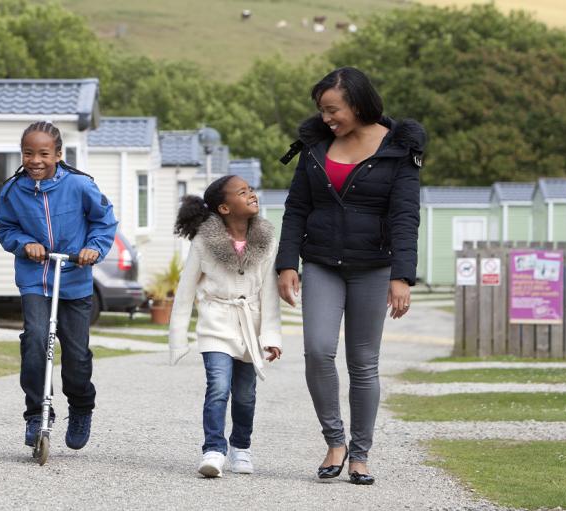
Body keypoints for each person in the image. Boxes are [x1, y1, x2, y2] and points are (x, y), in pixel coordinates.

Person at [275, 67, 424, 485]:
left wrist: (402, 276)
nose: (326, 118)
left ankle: (360, 454)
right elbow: (296, 208)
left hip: (374, 268)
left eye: (332, 109)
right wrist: (287, 263)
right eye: (322, 111)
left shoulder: (400, 149)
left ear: (357, 104)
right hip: (321, 262)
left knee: (363, 363)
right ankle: (335, 441)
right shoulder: (314, 147)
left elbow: (405, 217)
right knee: (319, 350)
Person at [0, 121, 117, 451]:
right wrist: (24, 243)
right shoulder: (12, 190)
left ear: (58, 155)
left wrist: (93, 248)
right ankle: (37, 413)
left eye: (44, 153)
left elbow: (104, 221)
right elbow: (5, 228)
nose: (35, 160)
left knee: (76, 356)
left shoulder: (80, 185)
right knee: (35, 340)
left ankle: (80, 407)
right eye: (28, 153)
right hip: (35, 279)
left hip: (74, 278)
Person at [168, 175, 283, 478]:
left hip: (251, 328)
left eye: (251, 190)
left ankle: (241, 447)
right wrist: (178, 339)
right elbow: (185, 292)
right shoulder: (204, 241)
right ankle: (214, 450)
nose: (251, 195)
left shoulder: (268, 240)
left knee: (245, 394)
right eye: (242, 192)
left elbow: (269, 292)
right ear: (224, 207)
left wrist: (271, 336)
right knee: (218, 387)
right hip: (215, 324)